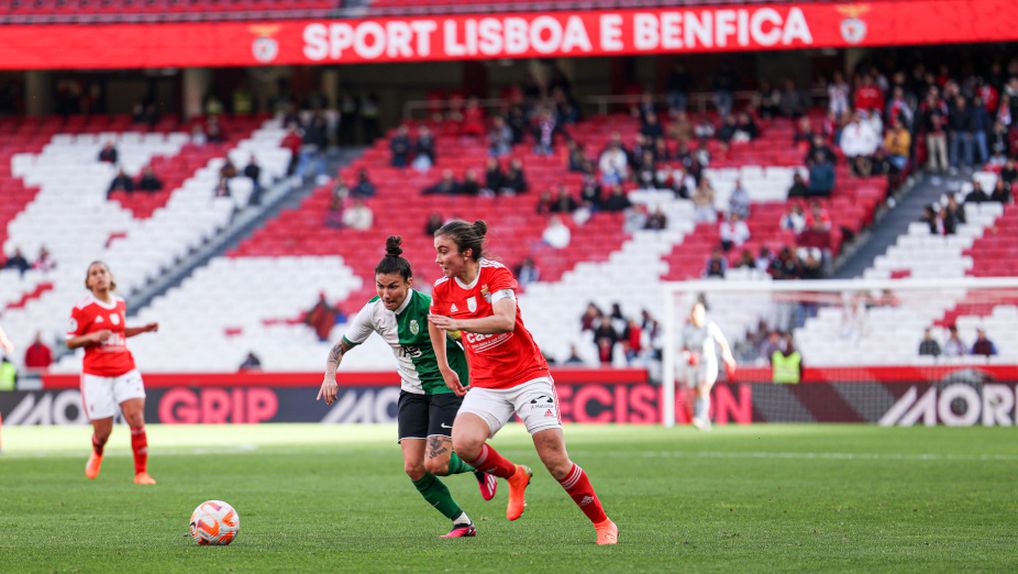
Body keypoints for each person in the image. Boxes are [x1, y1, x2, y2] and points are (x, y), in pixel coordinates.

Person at [427, 220, 618, 544]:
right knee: (465, 444)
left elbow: (504, 321)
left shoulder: (495, 275)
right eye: (437, 252)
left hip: (527, 377)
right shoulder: (442, 289)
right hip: (487, 383)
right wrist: (445, 366)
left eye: (444, 251)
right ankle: (514, 475)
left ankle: (603, 523)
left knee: (556, 462)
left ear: (467, 253)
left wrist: (458, 322)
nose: (438, 259)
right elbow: (436, 322)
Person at [317, 237, 496, 539]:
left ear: (409, 282)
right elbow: (340, 346)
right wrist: (330, 374)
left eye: (393, 287)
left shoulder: (429, 307)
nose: (385, 294)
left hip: (445, 384)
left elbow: (467, 339)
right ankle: (462, 522)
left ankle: (481, 462)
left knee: (436, 463)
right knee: (414, 468)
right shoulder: (373, 311)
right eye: (380, 286)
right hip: (411, 391)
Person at [66, 261, 158, 484]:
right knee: (104, 431)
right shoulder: (82, 309)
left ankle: (141, 473)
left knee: (136, 417)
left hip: (125, 368)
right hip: (97, 374)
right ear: (88, 282)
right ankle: (97, 451)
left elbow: (120, 331)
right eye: (94, 274)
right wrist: (92, 337)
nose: (99, 276)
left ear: (110, 276)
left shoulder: (120, 303)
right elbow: (70, 341)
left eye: (102, 272)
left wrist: (143, 329)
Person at [680, 302, 736, 430]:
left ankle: (699, 417)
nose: (695, 315)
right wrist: (688, 356)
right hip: (694, 366)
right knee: (698, 391)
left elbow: (722, 342)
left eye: (697, 312)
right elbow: (683, 348)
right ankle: (705, 420)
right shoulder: (687, 330)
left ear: (703, 314)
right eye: (693, 312)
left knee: (704, 387)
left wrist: (728, 356)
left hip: (708, 363)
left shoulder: (709, 327)